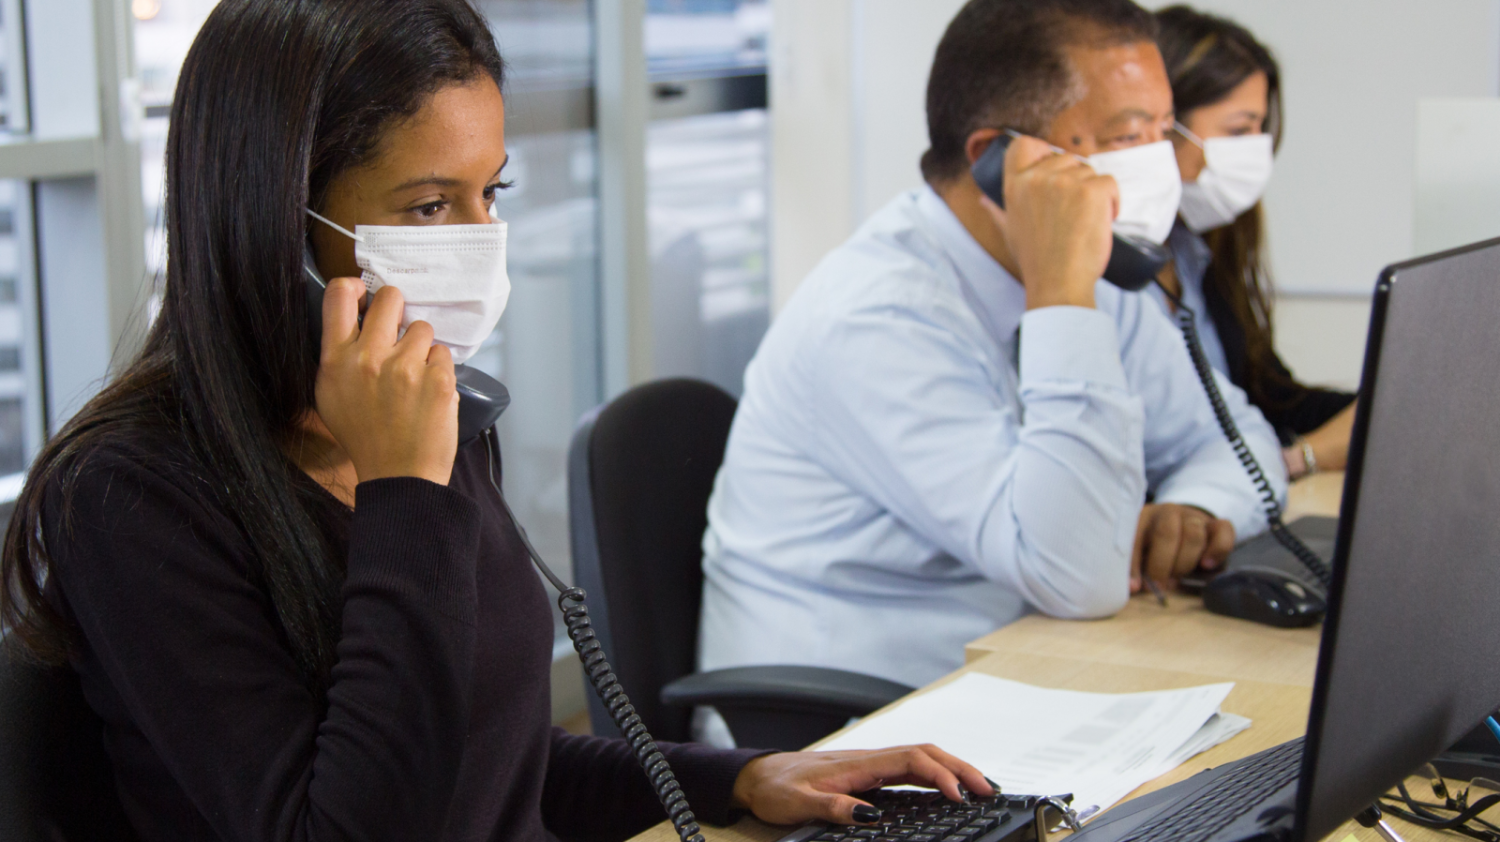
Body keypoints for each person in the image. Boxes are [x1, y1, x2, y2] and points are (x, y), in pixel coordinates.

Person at [0, 2, 995, 839]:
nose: (482, 244)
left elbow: (490, 759)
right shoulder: (133, 495)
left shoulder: (433, 412)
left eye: (492, 192)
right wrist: (407, 493)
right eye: (430, 207)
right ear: (278, 227)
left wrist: (734, 777)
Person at [697, 0, 1288, 706]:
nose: (1165, 165)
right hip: (854, 730)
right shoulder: (875, 318)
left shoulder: (1090, 271)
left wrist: (1196, 505)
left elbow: (1241, 441)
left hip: (1020, 679)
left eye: (1163, 132)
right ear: (995, 160)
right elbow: (1075, 577)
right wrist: (1061, 296)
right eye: (1129, 137)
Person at [1154, 5, 1356, 479]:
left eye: (1259, 130)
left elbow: (1270, 398)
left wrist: (1388, 407)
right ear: (1162, 124)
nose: (1255, 151)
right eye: (1238, 130)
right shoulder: (1105, 267)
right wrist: (1291, 461)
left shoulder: (1199, 255)